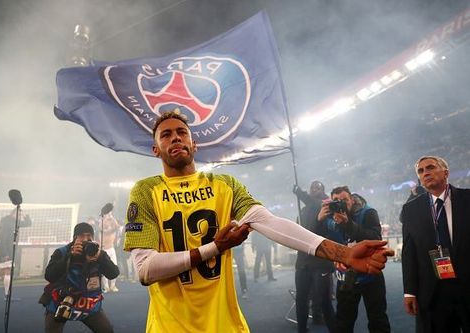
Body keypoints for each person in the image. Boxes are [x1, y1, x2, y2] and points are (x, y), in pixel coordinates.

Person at [123, 110, 392, 333]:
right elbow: (145, 269)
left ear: (194, 144)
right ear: (156, 149)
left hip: (226, 325)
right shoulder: (146, 190)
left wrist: (344, 253)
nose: (176, 138)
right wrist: (214, 248)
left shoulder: (224, 184)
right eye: (166, 135)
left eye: (182, 132)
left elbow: (270, 222)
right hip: (170, 326)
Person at [401, 156, 470, 332]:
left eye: (430, 167)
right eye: (421, 171)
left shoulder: (467, 198)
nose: (426, 173)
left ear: (446, 172)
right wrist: (410, 291)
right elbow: (409, 253)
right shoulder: (410, 209)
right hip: (433, 292)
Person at [319, 186, 390, 333]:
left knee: (378, 321)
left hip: (370, 274)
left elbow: (375, 238)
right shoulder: (328, 217)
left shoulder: (368, 212)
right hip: (345, 276)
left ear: (352, 199)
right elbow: (317, 241)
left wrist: (348, 224)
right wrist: (318, 220)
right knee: (343, 322)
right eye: (336, 200)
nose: (341, 203)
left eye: (344, 199)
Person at [40, 222, 119, 333]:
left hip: (88, 304)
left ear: (93, 237)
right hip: (62, 303)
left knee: (107, 331)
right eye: (82, 236)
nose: (85, 239)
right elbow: (50, 276)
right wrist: (70, 257)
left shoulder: (98, 253)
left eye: (89, 236)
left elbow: (114, 274)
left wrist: (101, 258)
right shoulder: (62, 252)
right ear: (75, 238)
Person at [293, 181, 335, 333]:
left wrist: (299, 192)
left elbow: (315, 232)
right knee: (301, 299)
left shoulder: (326, 205)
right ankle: (302, 329)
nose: (314, 189)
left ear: (323, 190)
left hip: (320, 260)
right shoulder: (304, 210)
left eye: (318, 187)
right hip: (303, 260)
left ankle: (331, 327)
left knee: (324, 300)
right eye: (312, 187)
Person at [100, 211, 120, 292]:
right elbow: (102, 226)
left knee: (115, 266)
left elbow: (117, 226)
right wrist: (106, 217)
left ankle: (113, 286)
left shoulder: (113, 229)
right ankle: (106, 287)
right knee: (104, 268)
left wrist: (112, 217)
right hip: (104, 249)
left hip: (111, 249)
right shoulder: (102, 229)